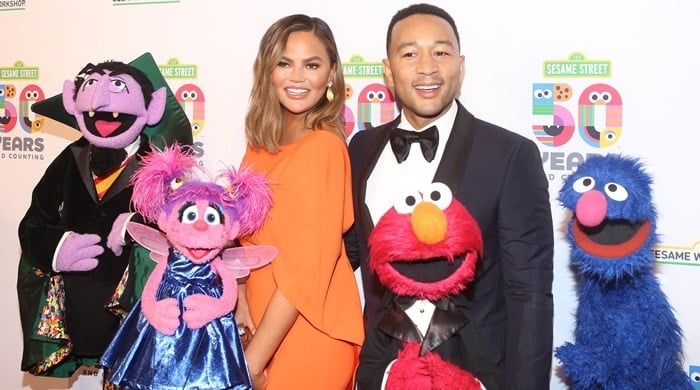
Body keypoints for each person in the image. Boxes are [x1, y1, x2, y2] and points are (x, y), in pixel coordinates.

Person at [344, 3, 554, 389]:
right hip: (380, 372)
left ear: (461, 64)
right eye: (410, 53)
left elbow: (531, 295)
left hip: (474, 372)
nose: (427, 67)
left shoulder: (509, 156)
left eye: (440, 52)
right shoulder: (360, 148)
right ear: (388, 70)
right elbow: (341, 256)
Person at [17, 54, 192, 380]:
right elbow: (33, 223)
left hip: (134, 314)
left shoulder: (160, 165)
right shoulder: (71, 158)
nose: (104, 110)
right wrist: (58, 246)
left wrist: (139, 227)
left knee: (128, 377)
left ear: (150, 110)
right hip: (77, 314)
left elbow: (185, 233)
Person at [236, 14, 365, 390]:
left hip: (310, 330)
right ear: (267, 71)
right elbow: (244, 239)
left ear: (331, 75)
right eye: (284, 63)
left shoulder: (323, 146)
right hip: (260, 324)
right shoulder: (259, 146)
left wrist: (254, 360)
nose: (297, 77)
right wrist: (242, 302)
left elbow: (307, 267)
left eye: (311, 65)